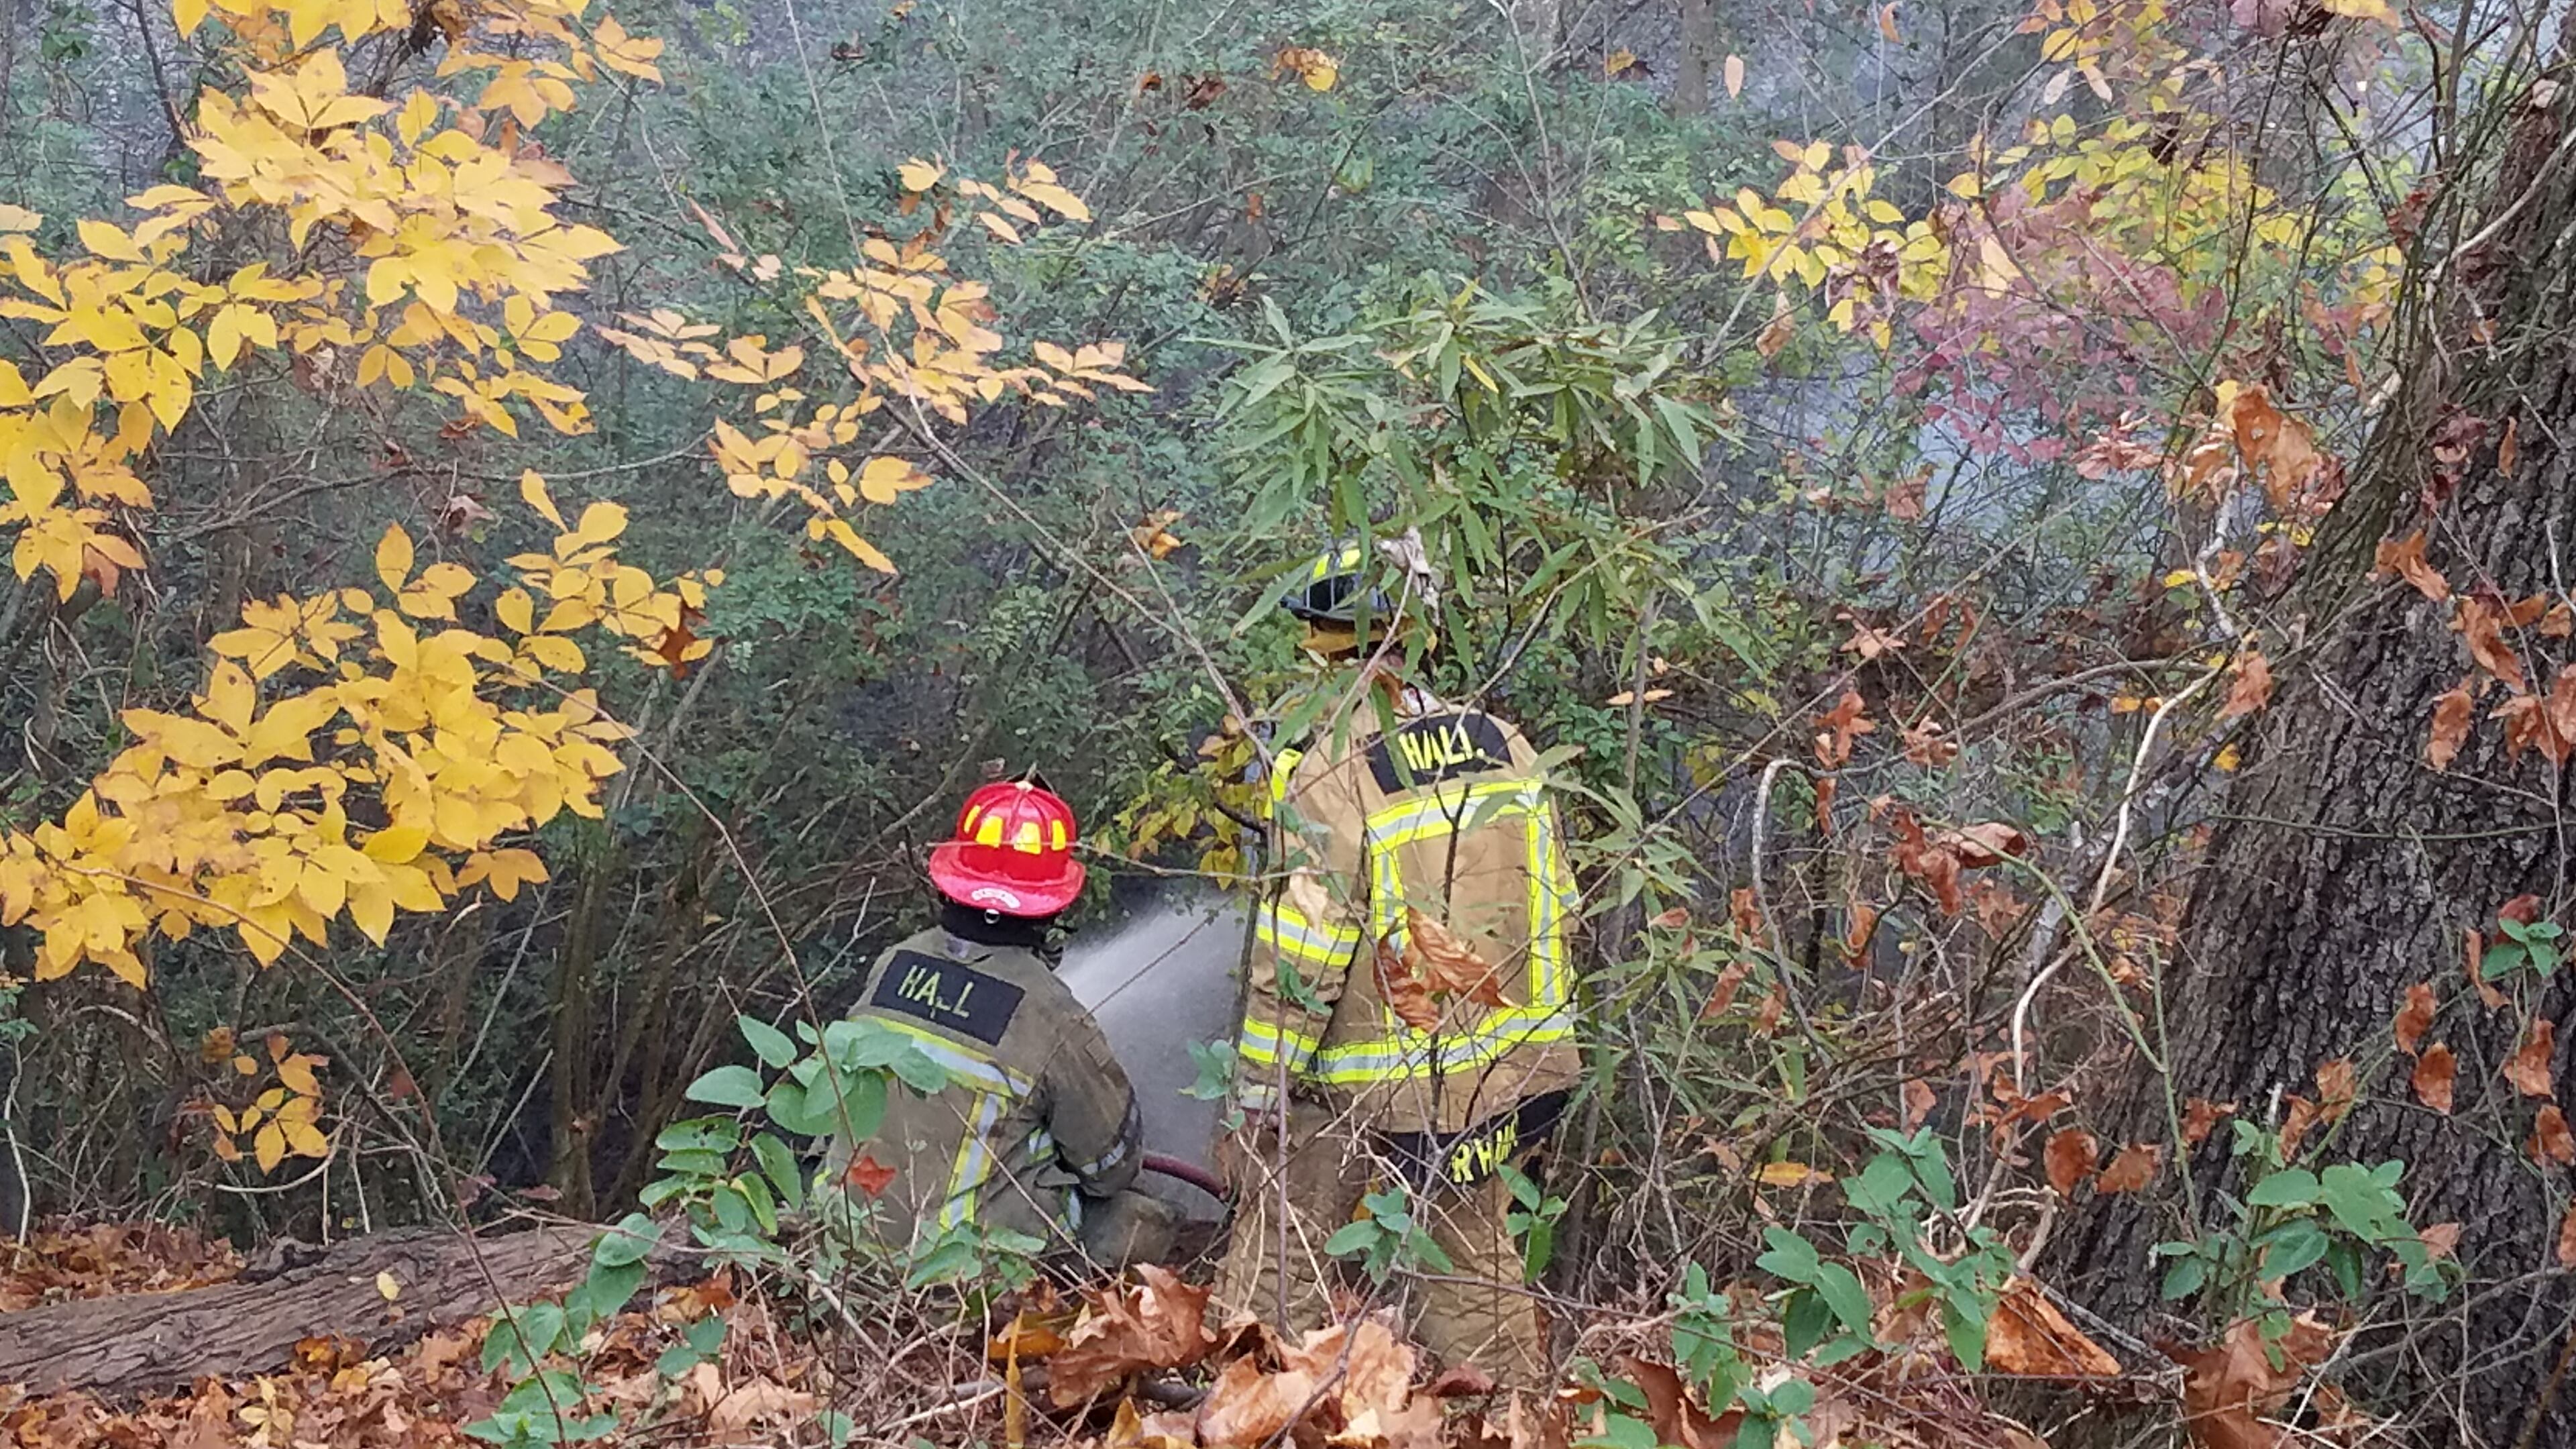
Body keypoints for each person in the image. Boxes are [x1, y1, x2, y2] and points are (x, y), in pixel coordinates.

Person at [1214, 542, 1580, 1384]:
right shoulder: (1507, 746)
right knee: (1473, 1275)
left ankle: (1244, 1414)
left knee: (1281, 1258)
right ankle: (1513, 1422)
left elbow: (1304, 953)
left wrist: (1259, 1090)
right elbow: (1559, 902)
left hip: (1368, 1089)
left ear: (1325, 646)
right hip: (1501, 1073)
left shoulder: (1334, 771)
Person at [824, 777, 1177, 1270]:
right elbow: (1109, 1170)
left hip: (841, 1248)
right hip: (960, 1274)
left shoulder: (893, 964)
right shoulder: (1051, 1012)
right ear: (1053, 902)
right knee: (1144, 1220)